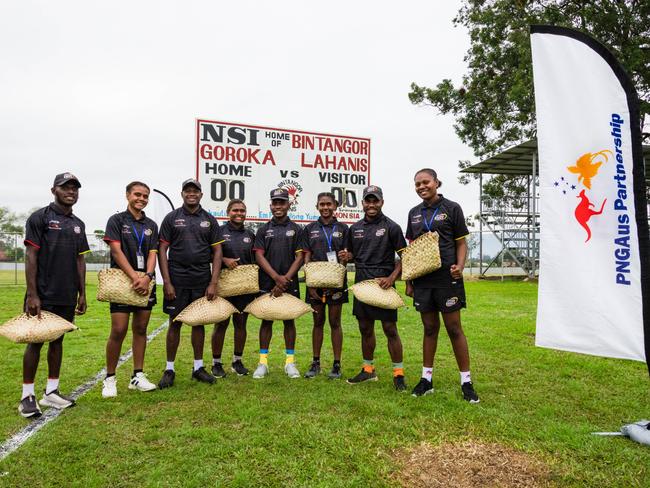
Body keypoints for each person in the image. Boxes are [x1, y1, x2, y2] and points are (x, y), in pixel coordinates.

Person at [405, 168, 479, 403]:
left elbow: (461, 243)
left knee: (454, 328)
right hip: (423, 280)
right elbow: (411, 251)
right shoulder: (414, 213)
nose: (421, 187)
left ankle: (466, 382)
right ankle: (426, 380)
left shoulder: (452, 208)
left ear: (437, 182)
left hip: (448, 279)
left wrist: (460, 266)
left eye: (425, 182)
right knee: (429, 328)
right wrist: (408, 280)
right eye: (417, 184)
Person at [20, 173, 89, 418]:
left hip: (67, 293)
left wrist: (82, 292)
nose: (71, 191)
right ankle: (27, 396)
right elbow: (31, 256)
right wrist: (32, 294)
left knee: (57, 340)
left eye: (74, 188)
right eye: (65, 187)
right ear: (53, 190)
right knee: (36, 341)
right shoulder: (40, 218)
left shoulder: (78, 223)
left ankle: (51, 391)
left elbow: (80, 259)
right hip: (43, 293)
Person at [157, 179, 223, 388]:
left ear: (201, 194)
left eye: (195, 191)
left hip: (201, 278)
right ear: (182, 194)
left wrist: (213, 282)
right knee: (174, 322)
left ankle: (198, 367)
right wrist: (166, 281)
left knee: (198, 322)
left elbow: (218, 251)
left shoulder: (209, 220)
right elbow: (162, 249)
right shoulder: (172, 218)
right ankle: (169, 369)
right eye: (188, 191)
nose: (191, 194)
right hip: (176, 279)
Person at [346, 186, 408, 391]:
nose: (371, 204)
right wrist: (348, 257)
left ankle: (398, 374)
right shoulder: (354, 229)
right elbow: (352, 255)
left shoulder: (392, 226)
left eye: (375, 201)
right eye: (368, 201)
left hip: (384, 281)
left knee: (390, 328)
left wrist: (392, 278)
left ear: (382, 202)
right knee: (365, 328)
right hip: (362, 281)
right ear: (362, 203)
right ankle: (368, 370)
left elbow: (404, 256)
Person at [102, 181, 159, 398]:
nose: (141, 199)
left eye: (145, 196)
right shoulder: (116, 221)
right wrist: (135, 276)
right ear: (127, 195)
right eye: (137, 194)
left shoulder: (151, 224)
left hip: (145, 281)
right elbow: (116, 251)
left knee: (141, 329)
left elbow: (153, 253)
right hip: (122, 281)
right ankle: (109, 378)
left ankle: (137, 376)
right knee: (118, 329)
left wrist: (148, 276)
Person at [252, 188, 305, 379]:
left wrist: (285, 280)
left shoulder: (297, 229)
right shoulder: (263, 230)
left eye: (282, 202)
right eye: (275, 203)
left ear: (288, 205)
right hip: (268, 283)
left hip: (289, 283)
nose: (278, 206)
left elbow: (300, 257)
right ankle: (263, 363)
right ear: (270, 205)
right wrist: (276, 278)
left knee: (289, 321)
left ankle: (290, 363)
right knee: (266, 321)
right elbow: (258, 255)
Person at [302, 192, 350, 379]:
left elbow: (346, 255)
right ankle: (315, 363)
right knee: (318, 322)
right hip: (315, 283)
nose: (325, 207)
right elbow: (306, 256)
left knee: (335, 322)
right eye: (322, 204)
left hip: (337, 283)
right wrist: (310, 283)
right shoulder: (310, 229)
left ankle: (336, 365)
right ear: (317, 207)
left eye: (329, 204)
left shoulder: (344, 228)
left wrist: (340, 273)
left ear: (335, 206)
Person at [211, 199, 256, 377]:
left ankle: (237, 361)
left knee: (241, 323)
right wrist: (224, 260)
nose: (239, 213)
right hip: (224, 285)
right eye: (235, 210)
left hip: (244, 286)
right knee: (221, 323)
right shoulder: (219, 232)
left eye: (242, 210)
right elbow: (209, 253)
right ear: (228, 212)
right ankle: (216, 363)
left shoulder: (250, 234)